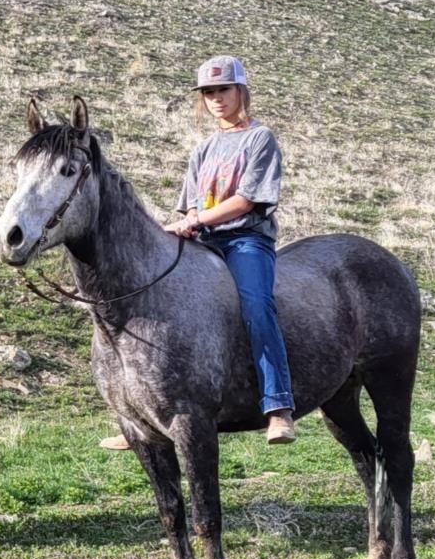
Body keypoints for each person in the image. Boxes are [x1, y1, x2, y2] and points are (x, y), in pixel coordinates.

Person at [99, 55, 295, 450]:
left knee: (257, 306)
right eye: (209, 92)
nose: (217, 99)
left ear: (241, 91)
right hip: (204, 240)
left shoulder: (260, 138)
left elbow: (245, 201)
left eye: (224, 89)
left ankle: (278, 406)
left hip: (245, 240)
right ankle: (142, 416)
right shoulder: (203, 149)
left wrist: (199, 219)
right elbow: (191, 204)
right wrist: (189, 221)